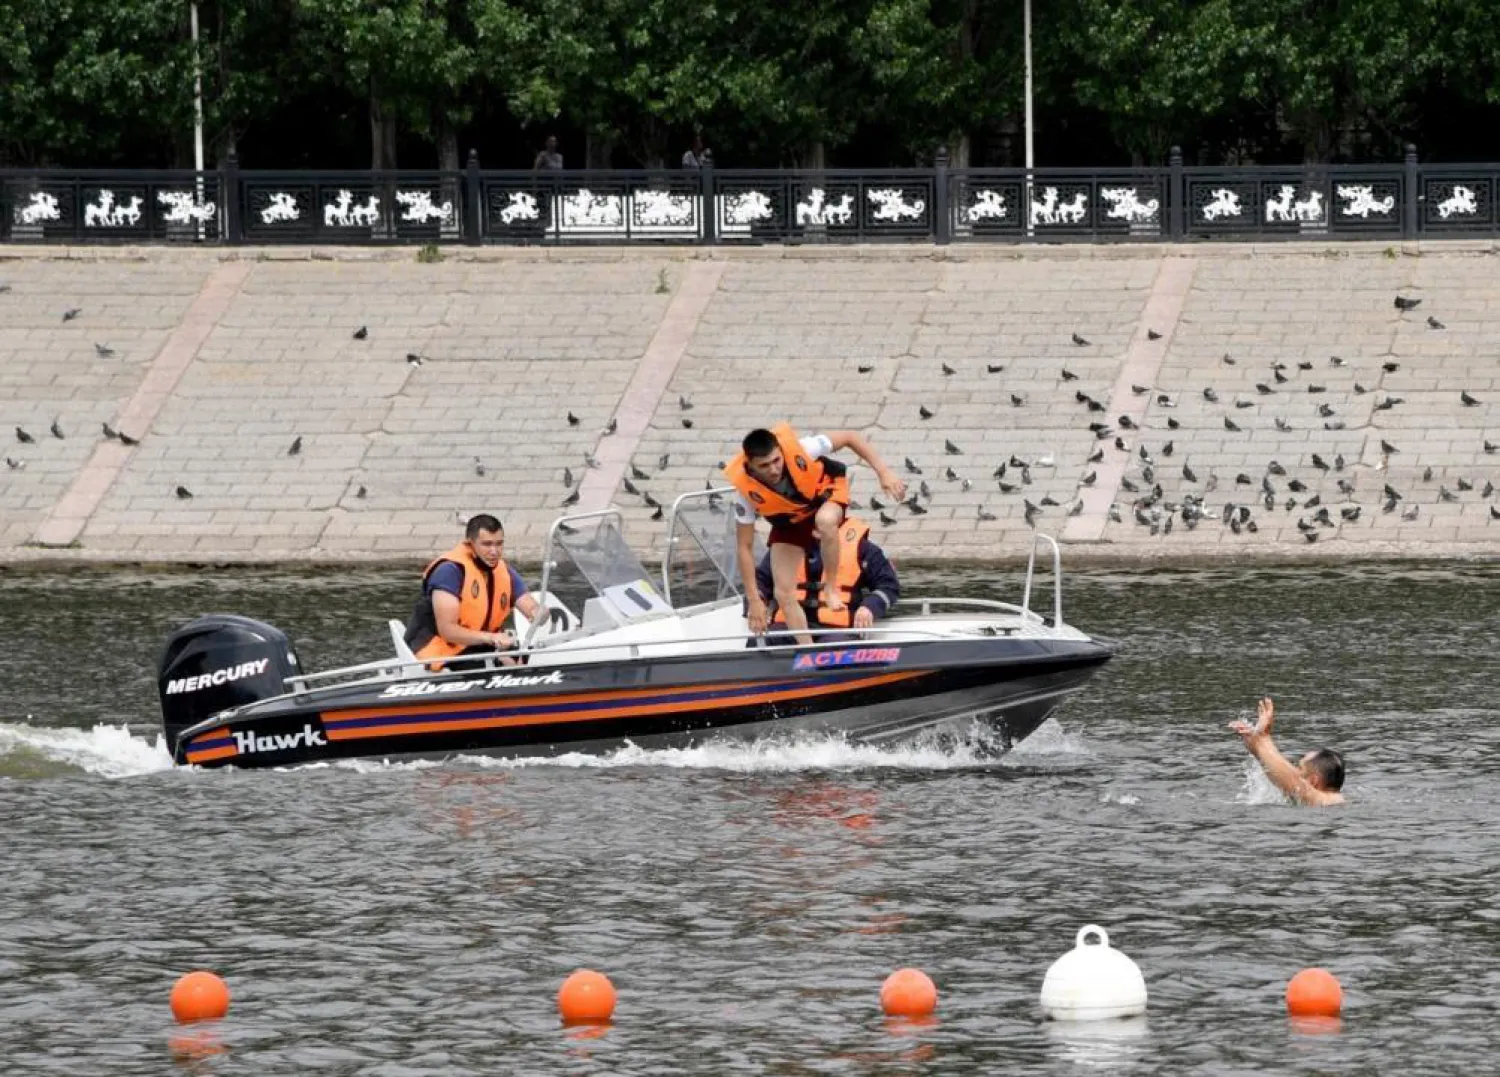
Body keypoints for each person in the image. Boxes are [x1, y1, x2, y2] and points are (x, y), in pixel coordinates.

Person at [724, 424, 905, 645]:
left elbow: (850, 437)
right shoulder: (745, 493)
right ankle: (807, 651)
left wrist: (883, 472)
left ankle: (829, 588)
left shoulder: (804, 448)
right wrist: (754, 600)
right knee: (783, 593)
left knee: (826, 521)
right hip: (791, 519)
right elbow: (744, 547)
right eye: (764, 465)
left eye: (776, 461)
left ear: (781, 452)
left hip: (824, 495)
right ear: (750, 465)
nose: (773, 470)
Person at [404, 514, 553, 668]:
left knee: (536, 658)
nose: (494, 551)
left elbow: (529, 606)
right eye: (487, 544)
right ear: (471, 544)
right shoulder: (449, 571)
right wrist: (491, 638)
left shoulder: (504, 572)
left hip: (480, 646)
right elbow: (447, 630)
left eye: (499, 544)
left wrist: (539, 613)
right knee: (501, 664)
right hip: (441, 652)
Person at [754, 516, 899, 639]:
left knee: (838, 648)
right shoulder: (787, 543)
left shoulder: (863, 548)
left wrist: (869, 607)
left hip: (837, 630)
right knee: (760, 642)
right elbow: (761, 580)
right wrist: (758, 603)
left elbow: (888, 585)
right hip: (789, 626)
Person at [1228, 697, 1345, 807]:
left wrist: (1263, 740)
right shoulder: (1324, 804)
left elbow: (1295, 783)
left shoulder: (1328, 802)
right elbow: (1286, 779)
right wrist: (1256, 748)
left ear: (1314, 781)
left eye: (1300, 770)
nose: (1293, 771)